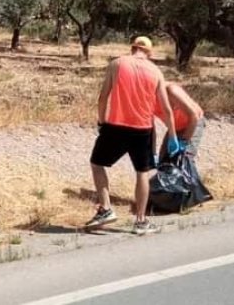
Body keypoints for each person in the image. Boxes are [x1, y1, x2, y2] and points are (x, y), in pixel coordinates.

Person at [86, 36, 180, 235]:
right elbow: (166, 109)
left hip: (116, 125)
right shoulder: (156, 72)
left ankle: (106, 208)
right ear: (149, 53)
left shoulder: (117, 64)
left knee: (97, 164)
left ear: (132, 48)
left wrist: (101, 122)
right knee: (142, 173)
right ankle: (141, 221)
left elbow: (103, 97)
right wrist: (172, 135)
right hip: (143, 129)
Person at [155, 82, 207, 161]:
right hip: (175, 127)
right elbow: (149, 127)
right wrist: (152, 152)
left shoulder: (170, 91)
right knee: (163, 160)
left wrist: (183, 142)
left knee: (183, 159)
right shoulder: (145, 99)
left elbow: (194, 115)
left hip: (192, 124)